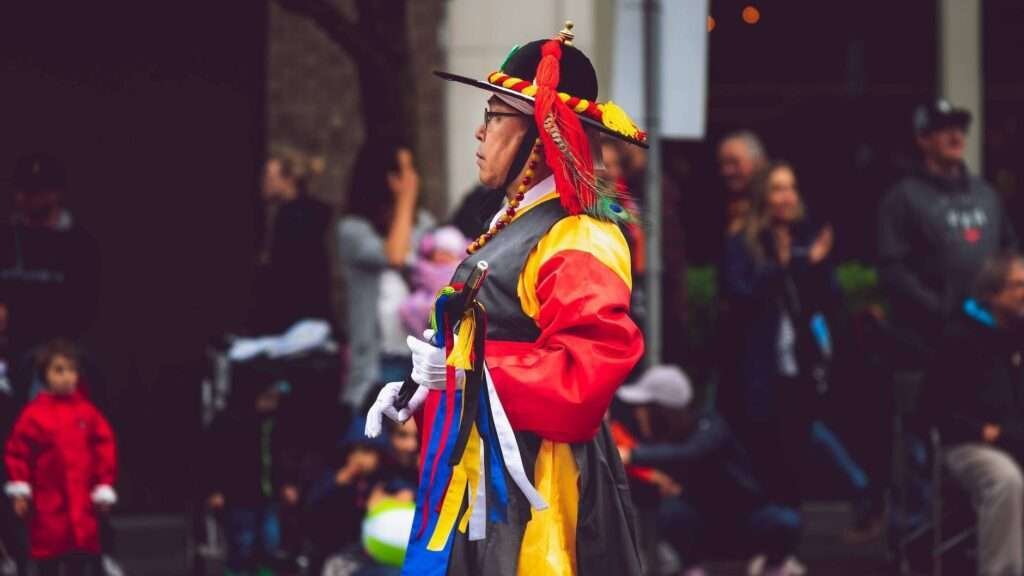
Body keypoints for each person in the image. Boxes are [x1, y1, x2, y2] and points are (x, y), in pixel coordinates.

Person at [366, 22, 646, 575]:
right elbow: (485, 342)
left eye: (494, 115)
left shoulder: (577, 233)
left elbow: (583, 376)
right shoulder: (518, 220)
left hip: (538, 493)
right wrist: (421, 385)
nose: (479, 132)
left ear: (541, 133)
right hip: (487, 480)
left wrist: (463, 371)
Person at [720, 161, 838, 507]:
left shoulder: (805, 236)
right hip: (758, 368)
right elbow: (739, 295)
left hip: (799, 364)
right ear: (763, 197)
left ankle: (787, 537)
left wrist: (812, 264)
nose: (787, 197)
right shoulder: (745, 241)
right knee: (763, 453)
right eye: (778, 188)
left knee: (796, 450)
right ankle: (766, 537)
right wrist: (784, 265)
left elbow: (826, 299)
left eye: (791, 188)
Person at [615, 365, 803, 576]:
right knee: (671, 512)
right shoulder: (663, 443)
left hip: (745, 522)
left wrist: (632, 455)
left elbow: (692, 452)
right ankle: (692, 568)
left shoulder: (711, 426)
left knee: (784, 521)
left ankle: (773, 567)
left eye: (644, 407)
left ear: (663, 410)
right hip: (705, 528)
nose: (638, 414)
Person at [878, 99, 1017, 365]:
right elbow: (892, 270)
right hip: (927, 343)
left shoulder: (985, 194)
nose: (956, 136)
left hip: (989, 337)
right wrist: (941, 308)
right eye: (944, 129)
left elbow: (1009, 251)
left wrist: (1005, 301)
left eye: (960, 129)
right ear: (923, 139)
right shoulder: (902, 197)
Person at [923, 252, 1024, 576]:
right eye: (1018, 285)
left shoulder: (1017, 335)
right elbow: (931, 408)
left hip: (1014, 438)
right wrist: (983, 431)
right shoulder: (959, 337)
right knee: (1005, 479)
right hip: (968, 444)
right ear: (993, 294)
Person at [4, 340, 116, 576]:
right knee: (49, 563)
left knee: (79, 561)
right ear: (46, 375)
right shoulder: (34, 414)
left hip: (81, 503)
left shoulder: (87, 412)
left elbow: (104, 448)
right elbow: (17, 452)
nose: (67, 377)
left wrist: (103, 485)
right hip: (48, 505)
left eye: (72, 370)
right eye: (59, 370)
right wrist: (21, 490)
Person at [337, 138, 432, 408]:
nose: (412, 178)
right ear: (384, 179)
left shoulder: (422, 223)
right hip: (376, 362)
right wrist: (406, 198)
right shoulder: (353, 230)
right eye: (404, 171)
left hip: (414, 356)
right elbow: (395, 254)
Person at [0, 154, 101, 398]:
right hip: (5, 349)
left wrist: (17, 318)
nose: (26, 199)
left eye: (37, 191)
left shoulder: (79, 244)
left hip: (54, 349)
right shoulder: (6, 238)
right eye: (22, 191)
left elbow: (82, 312)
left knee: (49, 379)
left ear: (55, 194)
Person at [205, 381, 300, 575]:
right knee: (242, 543)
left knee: (270, 542)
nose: (272, 403)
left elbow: (284, 457)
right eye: (268, 397)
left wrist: (288, 483)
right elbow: (212, 458)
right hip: (239, 496)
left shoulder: (277, 422)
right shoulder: (228, 421)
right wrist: (214, 490)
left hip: (269, 495)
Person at [251, 147, 333, 334]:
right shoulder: (304, 215)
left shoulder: (293, 218)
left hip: (298, 320)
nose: (264, 183)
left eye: (270, 177)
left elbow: (288, 274)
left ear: (288, 180)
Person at [718, 130, 768, 237]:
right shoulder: (717, 211)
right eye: (723, 163)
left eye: (735, 162)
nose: (727, 171)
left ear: (758, 162)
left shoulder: (773, 208)